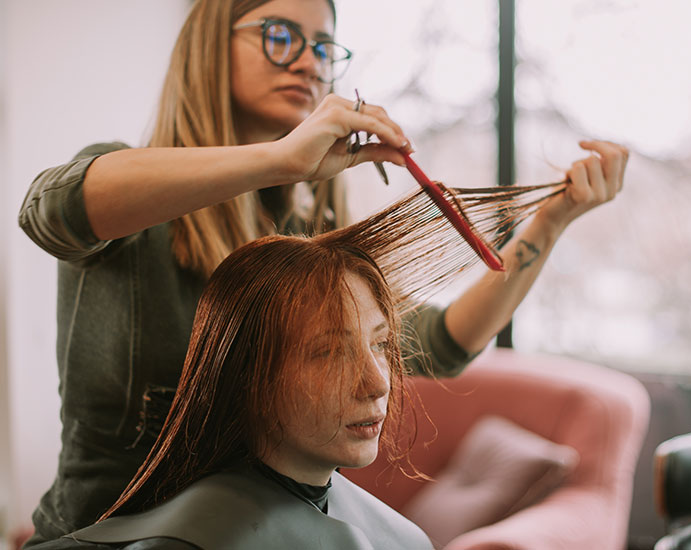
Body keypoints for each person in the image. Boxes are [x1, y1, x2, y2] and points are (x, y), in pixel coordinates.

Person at [18, 0, 629, 545]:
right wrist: (282, 159)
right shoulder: (134, 202)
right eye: (280, 35)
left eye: (322, 47)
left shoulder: (303, 234)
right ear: (209, 45)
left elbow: (440, 345)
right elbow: (49, 210)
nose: (309, 63)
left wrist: (549, 224)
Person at [30, 212, 457, 549]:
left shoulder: (401, 537)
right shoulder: (194, 539)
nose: (377, 383)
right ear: (248, 375)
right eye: (329, 351)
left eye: (380, 344)